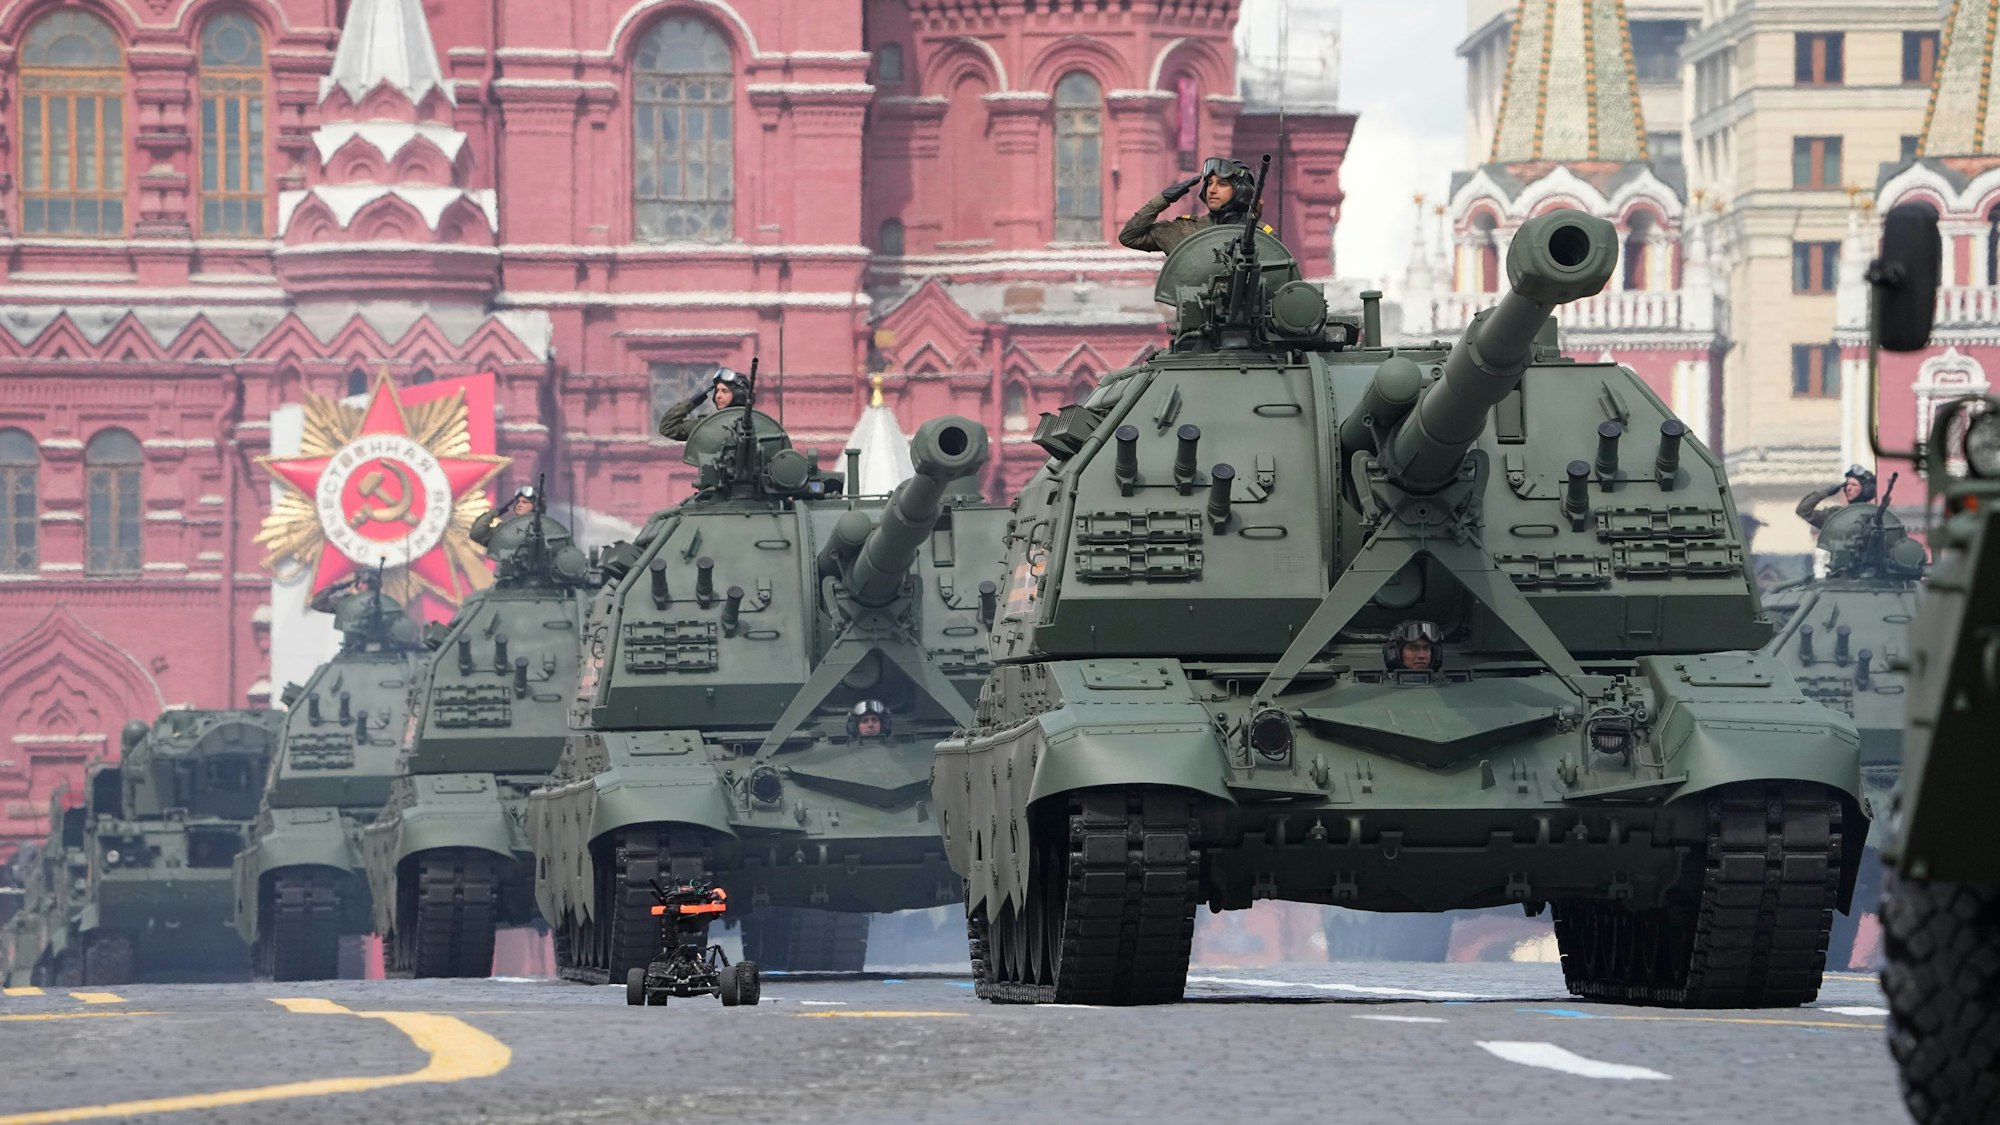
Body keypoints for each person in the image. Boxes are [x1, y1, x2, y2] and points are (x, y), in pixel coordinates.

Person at [1119, 156, 1265, 255]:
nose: (1212, 190)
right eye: (1209, 183)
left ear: (1241, 192)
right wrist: (1164, 199)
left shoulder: (1260, 236)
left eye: (1222, 184)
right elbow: (1129, 237)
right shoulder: (1185, 230)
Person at [658, 367, 752, 442]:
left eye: (724, 391)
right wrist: (691, 403)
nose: (718, 396)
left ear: (738, 394)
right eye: (717, 391)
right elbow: (667, 428)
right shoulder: (708, 425)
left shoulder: (756, 424)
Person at [1797, 465, 1878, 530]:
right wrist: (1826, 492)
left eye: (1853, 485)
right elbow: (1803, 510)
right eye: (1847, 485)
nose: (1848, 488)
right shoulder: (1836, 515)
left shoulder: (1875, 516)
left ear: (1865, 489)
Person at [470, 485, 539, 548]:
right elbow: (477, 534)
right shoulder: (507, 529)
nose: (519, 505)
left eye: (524, 502)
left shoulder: (543, 530)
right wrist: (495, 512)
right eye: (518, 501)